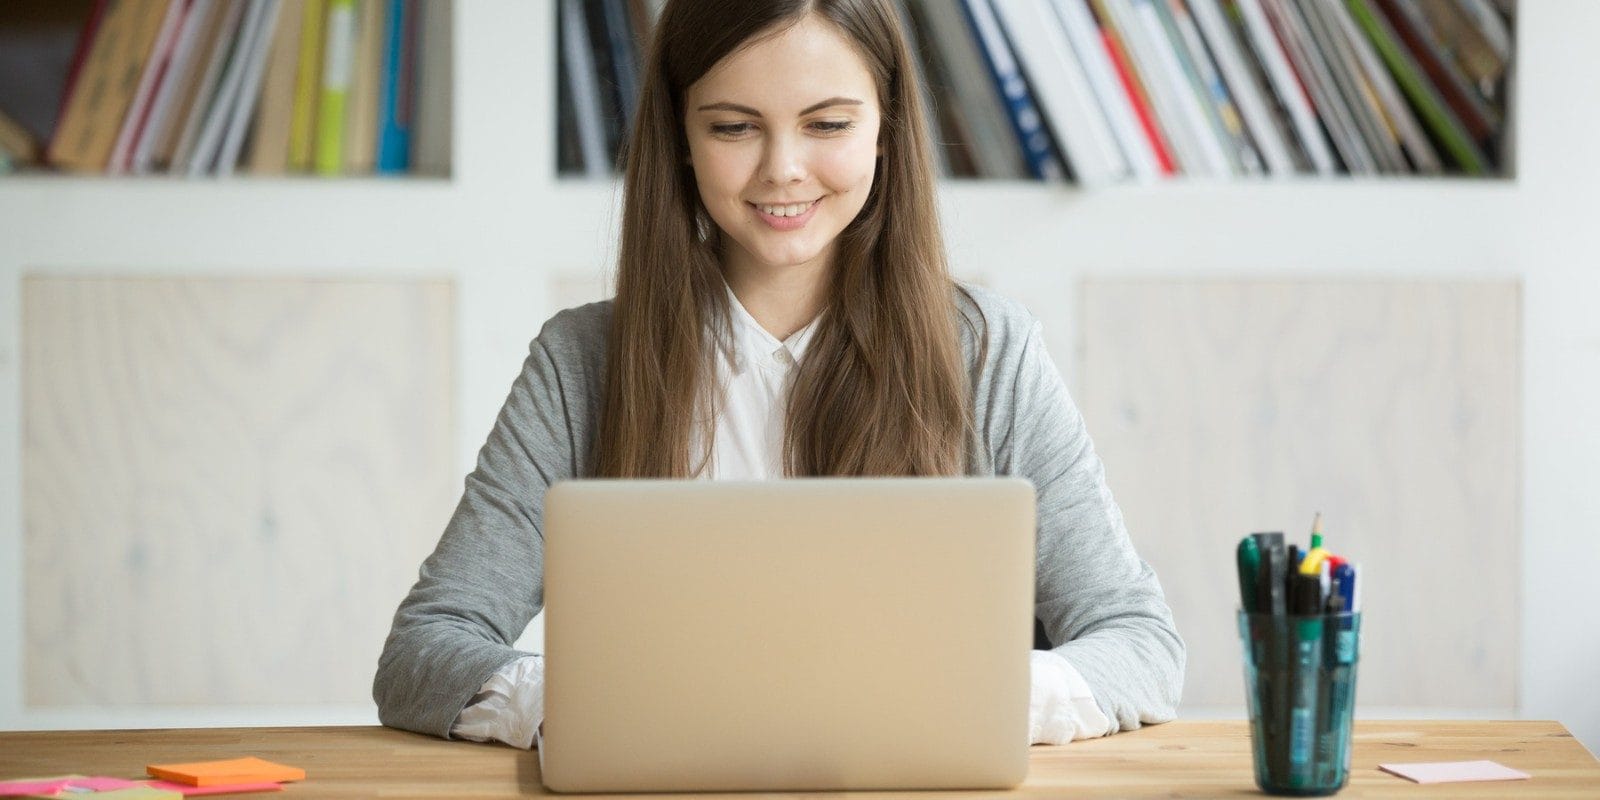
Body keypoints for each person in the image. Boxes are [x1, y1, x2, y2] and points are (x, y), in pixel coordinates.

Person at [374, 0, 1184, 750]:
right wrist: (591, 704)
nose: (783, 169)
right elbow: (425, 650)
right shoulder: (583, 359)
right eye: (734, 128)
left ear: (886, 129)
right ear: (680, 137)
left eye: (827, 122)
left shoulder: (987, 351)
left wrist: (972, 699)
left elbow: (1139, 644)